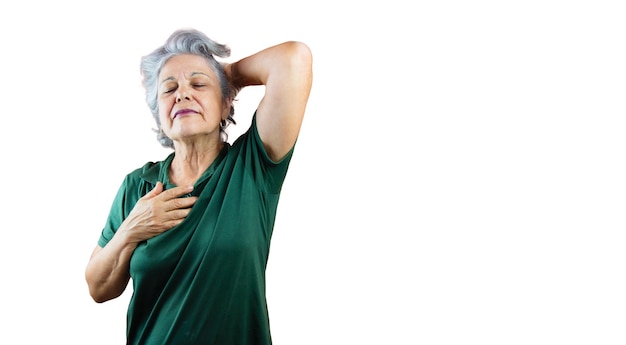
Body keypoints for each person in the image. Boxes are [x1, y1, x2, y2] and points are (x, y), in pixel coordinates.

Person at [84, 28, 313, 344]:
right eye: (169, 89)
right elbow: (98, 288)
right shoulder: (138, 186)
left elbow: (293, 58)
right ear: (160, 113)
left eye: (198, 84)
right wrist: (131, 229)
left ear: (225, 104)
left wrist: (226, 74)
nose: (182, 94)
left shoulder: (253, 167)